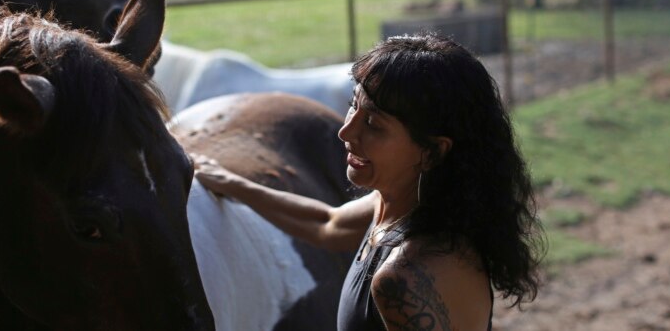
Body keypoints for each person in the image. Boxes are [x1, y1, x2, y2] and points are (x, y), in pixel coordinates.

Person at [194, 33, 544, 331]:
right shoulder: (398, 207)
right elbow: (325, 224)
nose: (346, 131)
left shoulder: (405, 280)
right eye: (353, 106)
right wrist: (231, 183)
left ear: (433, 152)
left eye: (374, 125)